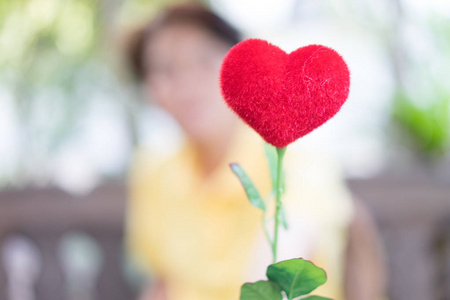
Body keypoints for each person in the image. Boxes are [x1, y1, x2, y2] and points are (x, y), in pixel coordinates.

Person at [125, 3, 386, 300]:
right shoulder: (153, 171)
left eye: (202, 61)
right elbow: (162, 283)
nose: (187, 83)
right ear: (149, 89)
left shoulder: (294, 157)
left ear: (240, 72)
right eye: (166, 70)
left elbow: (288, 245)